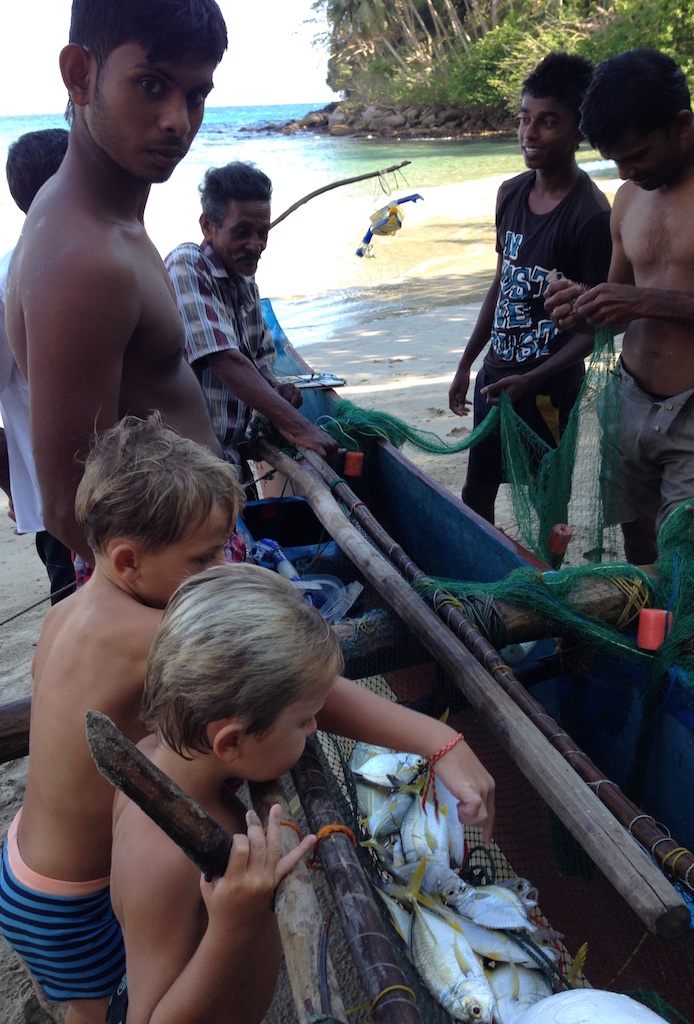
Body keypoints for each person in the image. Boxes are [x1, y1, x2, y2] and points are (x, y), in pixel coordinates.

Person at [108, 562, 495, 1023]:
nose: (316, 726)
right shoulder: (163, 854)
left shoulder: (165, 752)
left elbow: (306, 695)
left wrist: (438, 741)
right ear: (230, 742)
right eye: (304, 721)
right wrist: (233, 925)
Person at [0, 414, 244, 1024]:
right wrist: (435, 740)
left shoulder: (70, 612)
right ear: (131, 561)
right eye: (205, 558)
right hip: (70, 900)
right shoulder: (152, 632)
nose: (220, 569)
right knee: (107, 1010)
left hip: (26, 863)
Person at [5, 0, 228, 564]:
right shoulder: (86, 259)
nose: (179, 119)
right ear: (80, 75)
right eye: (152, 85)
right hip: (161, 591)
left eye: (196, 95)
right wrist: (185, 596)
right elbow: (67, 504)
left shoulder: (99, 215)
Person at [545, 49, 694, 564]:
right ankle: (643, 641)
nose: (626, 171)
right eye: (615, 160)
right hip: (625, 399)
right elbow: (621, 304)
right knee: (638, 543)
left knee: (691, 556)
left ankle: (681, 645)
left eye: (639, 154)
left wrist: (645, 300)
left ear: (681, 124)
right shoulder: (629, 197)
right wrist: (580, 304)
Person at [448, 52, 612, 524]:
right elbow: (502, 283)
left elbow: (595, 328)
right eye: (524, 119)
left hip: (549, 392)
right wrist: (467, 363)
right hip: (497, 381)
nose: (530, 133)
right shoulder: (510, 193)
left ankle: (544, 584)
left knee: (549, 500)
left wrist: (534, 379)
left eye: (548, 122)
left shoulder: (591, 216)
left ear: (578, 131)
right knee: (477, 488)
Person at [165, 161, 336, 483]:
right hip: (187, 465)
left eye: (262, 233)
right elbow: (225, 360)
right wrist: (299, 426)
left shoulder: (245, 282)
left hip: (230, 457)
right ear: (208, 226)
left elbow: (255, 365)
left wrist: (278, 389)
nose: (256, 245)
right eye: (242, 231)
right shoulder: (187, 265)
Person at [0, 128, 75, 603]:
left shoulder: (101, 258)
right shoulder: (10, 280)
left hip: (131, 495)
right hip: (66, 513)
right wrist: (18, 485)